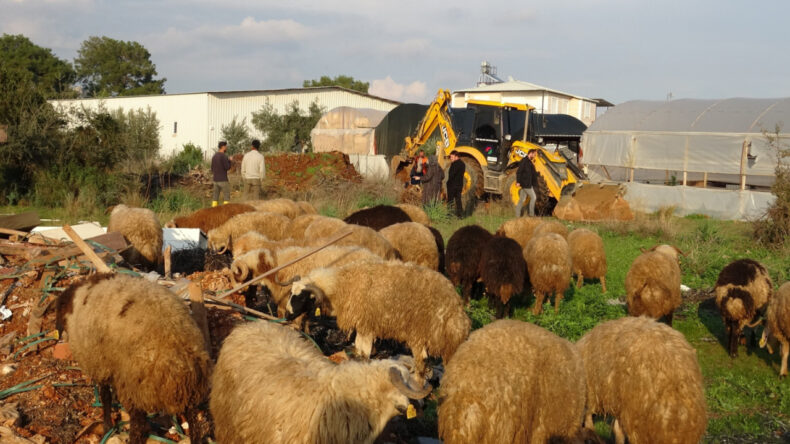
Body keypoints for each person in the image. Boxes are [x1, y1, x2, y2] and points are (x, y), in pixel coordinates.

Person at [515, 149, 538, 217]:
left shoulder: (530, 162)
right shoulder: (524, 161)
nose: (534, 156)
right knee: (534, 197)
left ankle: (517, 215)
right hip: (526, 184)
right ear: (530, 153)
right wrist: (518, 182)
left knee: (522, 200)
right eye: (534, 154)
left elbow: (532, 174)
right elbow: (519, 172)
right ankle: (531, 214)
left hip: (528, 184)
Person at [211, 141, 232, 207]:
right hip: (223, 180)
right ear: (223, 147)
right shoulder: (224, 156)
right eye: (226, 146)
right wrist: (230, 161)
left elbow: (212, 168)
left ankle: (213, 211)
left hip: (215, 180)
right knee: (226, 196)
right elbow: (227, 167)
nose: (226, 148)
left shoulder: (214, 156)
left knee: (215, 197)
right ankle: (226, 211)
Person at [446, 151, 465, 217]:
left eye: (451, 157)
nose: (450, 158)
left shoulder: (454, 164)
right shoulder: (462, 164)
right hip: (459, 185)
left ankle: (449, 215)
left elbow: (451, 174)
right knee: (458, 200)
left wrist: (448, 183)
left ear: (456, 156)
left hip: (452, 185)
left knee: (450, 201)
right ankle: (460, 215)